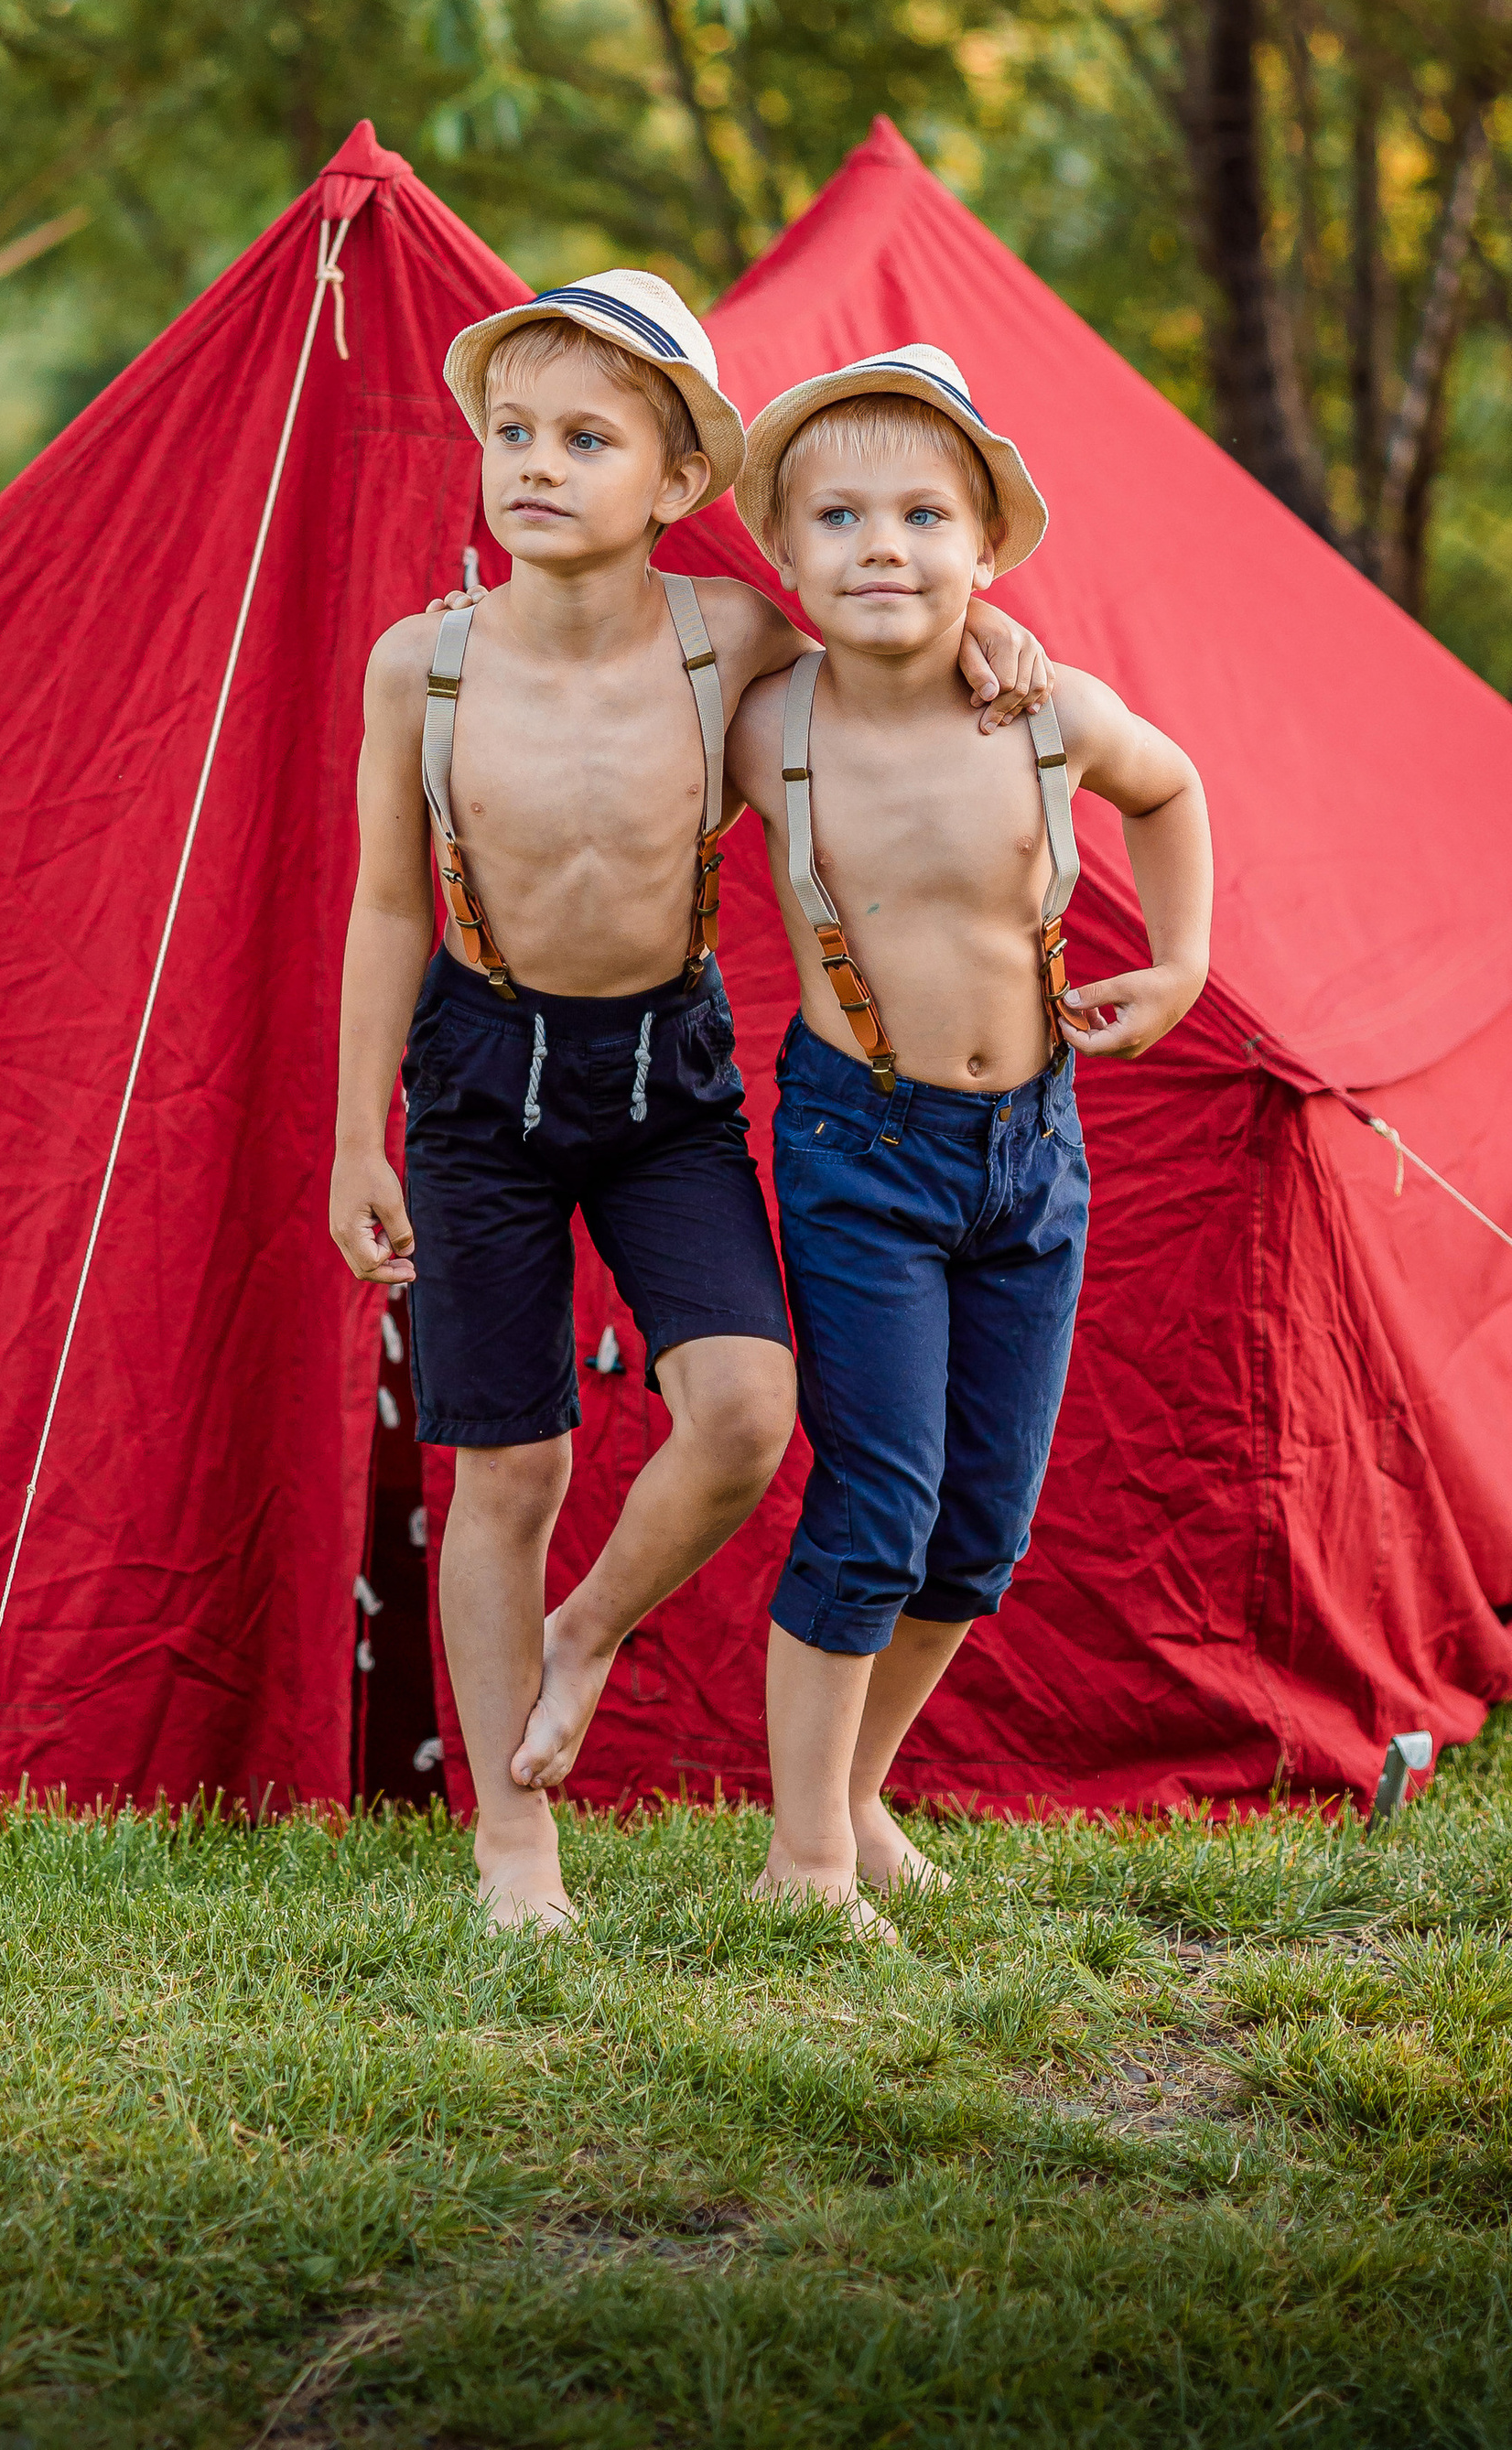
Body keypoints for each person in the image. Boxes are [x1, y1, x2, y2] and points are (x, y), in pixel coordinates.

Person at [328, 277, 1055, 1929]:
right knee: (505, 1472)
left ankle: (590, 1631)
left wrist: (997, 636)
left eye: (586, 438)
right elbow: (387, 904)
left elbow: (898, 643)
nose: (535, 463)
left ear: (672, 483)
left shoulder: (731, 635)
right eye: (513, 431)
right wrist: (358, 1135)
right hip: (475, 1083)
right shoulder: (420, 667)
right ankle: (518, 1853)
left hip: (670, 1081)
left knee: (744, 1410)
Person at [724, 344, 1213, 1928]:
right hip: (861, 1147)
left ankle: (862, 1799)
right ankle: (803, 1855)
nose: (884, 544)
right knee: (877, 1497)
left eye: (927, 516)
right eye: (842, 517)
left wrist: (1186, 963)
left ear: (985, 549)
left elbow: (1175, 784)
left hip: (1035, 1150)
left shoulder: (1044, 706)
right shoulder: (762, 721)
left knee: (982, 1519)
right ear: (786, 559)